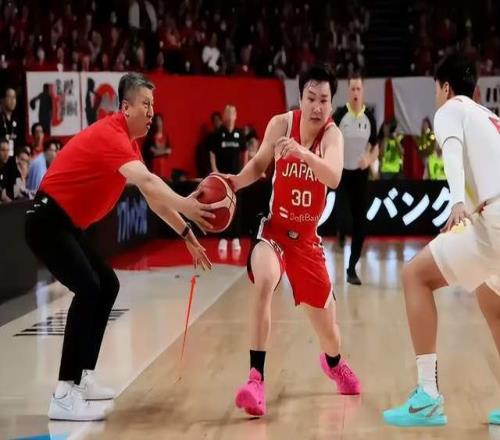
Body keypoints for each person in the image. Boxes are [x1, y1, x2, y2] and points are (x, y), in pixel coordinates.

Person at [25, 72, 215, 422]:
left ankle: (83, 378)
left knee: (106, 285)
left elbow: (154, 199)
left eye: (153, 105)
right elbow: (149, 182)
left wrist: (186, 232)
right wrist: (187, 205)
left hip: (66, 225)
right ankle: (64, 394)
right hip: (47, 221)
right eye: (145, 104)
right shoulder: (112, 135)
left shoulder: (128, 143)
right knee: (88, 288)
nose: (151, 112)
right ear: (125, 108)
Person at [224, 64, 361, 417]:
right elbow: (258, 165)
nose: (317, 106)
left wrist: (303, 153)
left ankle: (333, 363)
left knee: (330, 334)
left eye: (324, 100)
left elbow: (333, 177)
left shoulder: (332, 136)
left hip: (307, 243)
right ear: (300, 97)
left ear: (332, 104)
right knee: (265, 279)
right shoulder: (281, 124)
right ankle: (255, 380)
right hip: (274, 232)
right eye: (311, 98)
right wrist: (233, 183)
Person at [383, 53, 500, 427]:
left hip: (494, 221)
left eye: (437, 89)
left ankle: (427, 397)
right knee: (491, 298)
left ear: (446, 87)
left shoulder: (451, 109)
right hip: (493, 218)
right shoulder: (490, 118)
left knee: (414, 275)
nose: (437, 96)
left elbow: (449, 151)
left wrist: (456, 201)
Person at [333, 73, 378, 285]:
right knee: (344, 219)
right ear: (348, 91)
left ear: (363, 91)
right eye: (352, 89)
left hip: (361, 176)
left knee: (361, 226)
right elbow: (329, 139)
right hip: (342, 174)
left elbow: (376, 147)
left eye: (359, 89)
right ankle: (341, 233)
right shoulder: (340, 115)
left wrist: (369, 159)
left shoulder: (370, 117)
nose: (355, 92)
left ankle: (351, 268)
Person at [209, 105, 248, 253]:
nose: (230, 116)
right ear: (224, 116)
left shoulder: (240, 134)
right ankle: (223, 238)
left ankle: (236, 237)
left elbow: (245, 152)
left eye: (232, 113)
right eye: (227, 113)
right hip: (222, 178)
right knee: (222, 207)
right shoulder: (218, 134)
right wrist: (215, 170)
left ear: (236, 116)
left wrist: (244, 171)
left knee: (237, 207)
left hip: (236, 178)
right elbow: (212, 153)